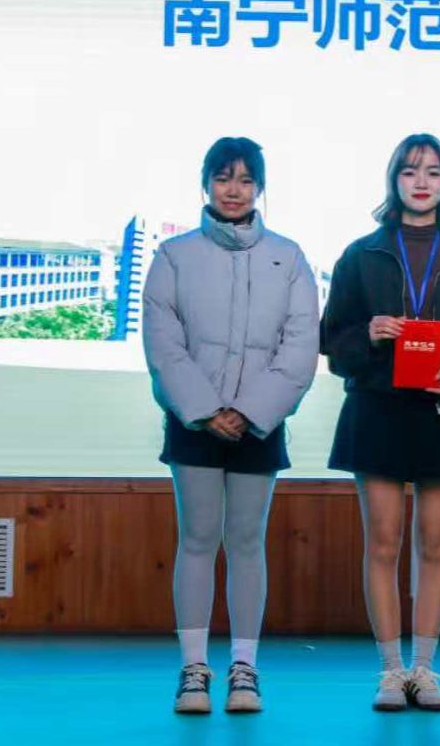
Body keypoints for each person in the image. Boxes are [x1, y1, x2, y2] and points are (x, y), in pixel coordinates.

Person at [142, 137, 320, 716]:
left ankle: (245, 670)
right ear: (206, 184)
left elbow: (300, 347)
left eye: (245, 179)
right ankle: (193, 671)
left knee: (246, 542)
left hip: (259, 426)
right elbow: (163, 345)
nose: (234, 190)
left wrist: (250, 411)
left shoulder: (289, 257)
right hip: (192, 421)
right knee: (197, 539)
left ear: (260, 187)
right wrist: (204, 409)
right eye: (223, 178)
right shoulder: (173, 255)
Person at [322, 133, 440, 713]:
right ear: (393, 180)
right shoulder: (360, 254)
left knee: (436, 544)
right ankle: (391, 672)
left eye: (433, 172)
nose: (422, 182)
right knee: (383, 542)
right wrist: (368, 332)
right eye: (410, 171)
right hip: (378, 409)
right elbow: (332, 342)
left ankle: (425, 668)